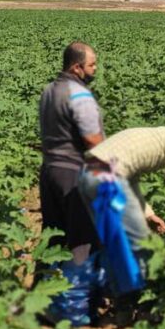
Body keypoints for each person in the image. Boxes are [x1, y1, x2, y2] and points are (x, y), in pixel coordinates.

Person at [77, 125, 165, 247]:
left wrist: (148, 214)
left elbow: (131, 182)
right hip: (108, 177)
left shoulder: (158, 137)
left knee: (100, 239)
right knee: (138, 239)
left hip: (87, 171)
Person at [39, 41, 104, 264]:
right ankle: (77, 296)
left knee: (52, 236)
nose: (95, 69)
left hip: (48, 171)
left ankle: (44, 289)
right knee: (82, 238)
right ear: (77, 68)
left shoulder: (48, 90)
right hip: (72, 174)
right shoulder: (80, 95)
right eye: (92, 65)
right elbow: (93, 141)